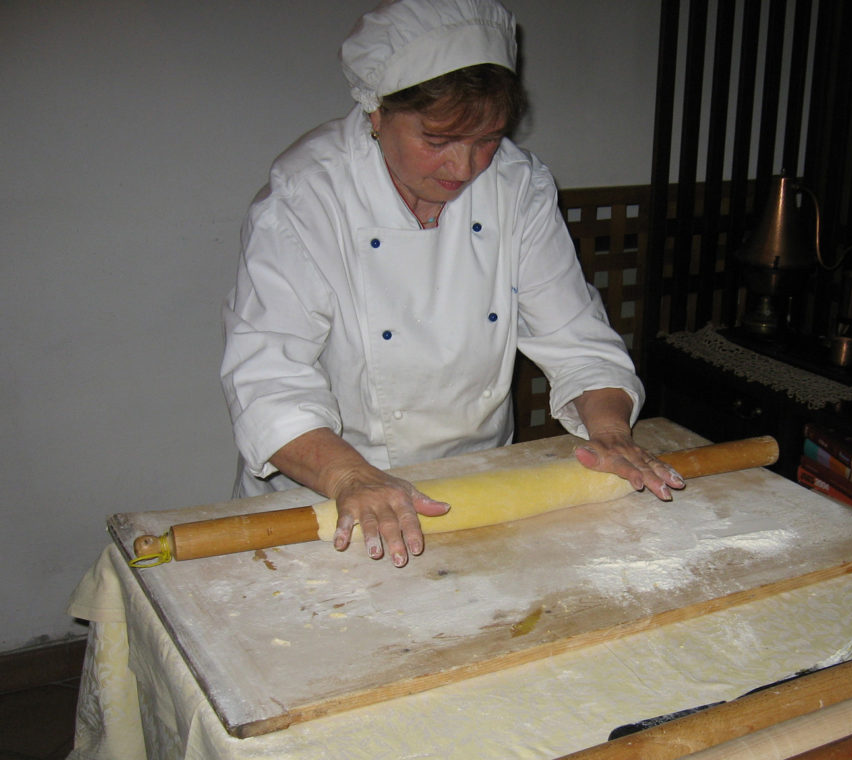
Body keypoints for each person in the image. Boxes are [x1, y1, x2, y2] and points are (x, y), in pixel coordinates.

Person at [220, 0, 684, 569]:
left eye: (486, 139)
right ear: (375, 111)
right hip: (327, 495)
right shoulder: (306, 197)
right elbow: (269, 379)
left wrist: (610, 431)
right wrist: (350, 476)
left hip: (471, 489)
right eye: (438, 139)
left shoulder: (516, 187)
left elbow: (575, 338)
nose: (464, 168)